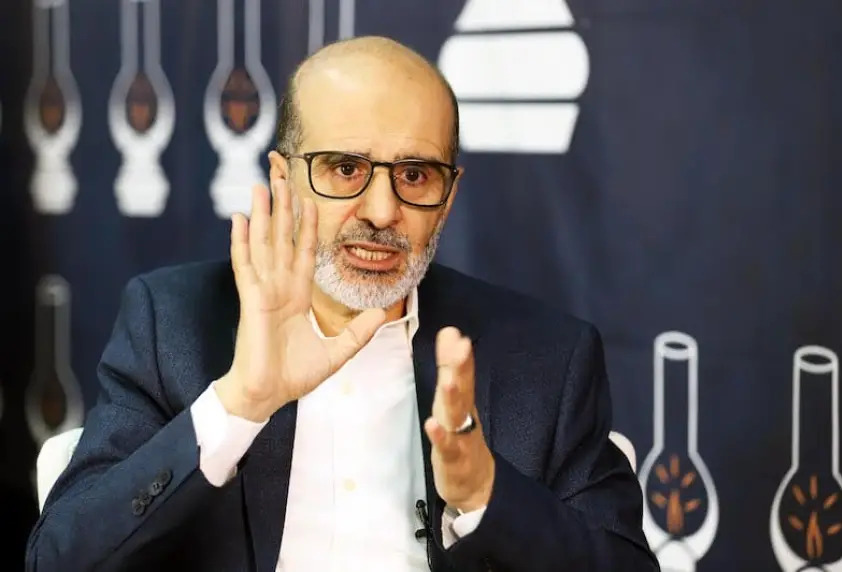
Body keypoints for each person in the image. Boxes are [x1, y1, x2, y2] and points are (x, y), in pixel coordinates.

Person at [25, 36, 658, 571]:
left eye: (415, 175)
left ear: (449, 196)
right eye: (345, 169)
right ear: (283, 179)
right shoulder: (172, 324)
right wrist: (239, 403)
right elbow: (59, 559)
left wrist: (483, 494)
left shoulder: (546, 359)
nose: (382, 212)